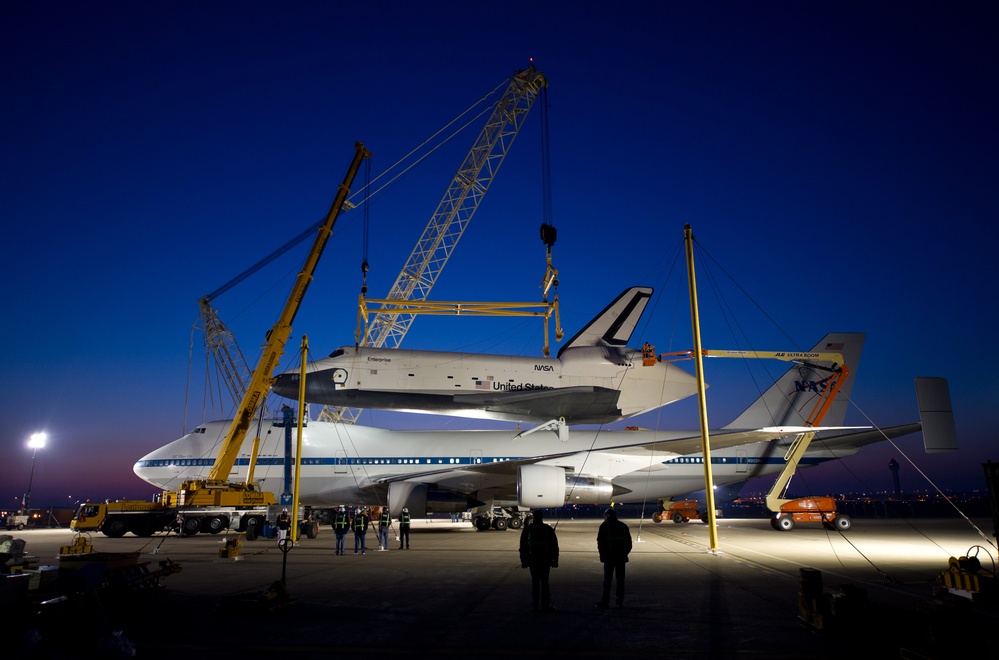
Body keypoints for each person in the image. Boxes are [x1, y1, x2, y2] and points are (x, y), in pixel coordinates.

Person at [519, 509, 559, 611]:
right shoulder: (547, 529)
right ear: (541, 517)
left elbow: (523, 546)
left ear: (534, 517)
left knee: (535, 583)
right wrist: (555, 560)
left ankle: (535, 605)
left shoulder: (528, 529)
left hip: (533, 560)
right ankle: (545, 605)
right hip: (545, 560)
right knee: (545, 583)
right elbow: (554, 546)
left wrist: (523, 560)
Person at [596, 507, 632, 608]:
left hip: (609, 557)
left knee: (607, 580)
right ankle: (619, 601)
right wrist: (625, 553)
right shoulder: (623, 526)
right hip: (621, 557)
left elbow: (600, 542)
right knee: (620, 580)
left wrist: (602, 555)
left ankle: (605, 601)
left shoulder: (604, 526)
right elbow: (629, 543)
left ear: (607, 516)